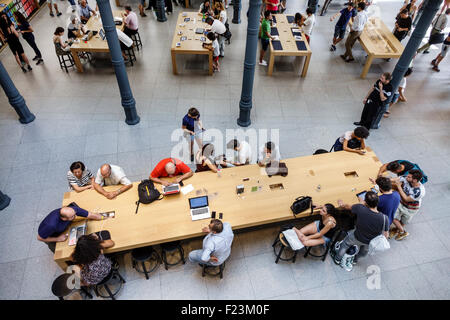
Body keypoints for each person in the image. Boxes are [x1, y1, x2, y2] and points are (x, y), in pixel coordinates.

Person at [335, 192, 389, 270]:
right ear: (377, 202)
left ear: (365, 202)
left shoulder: (360, 208)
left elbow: (347, 207)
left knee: (345, 245)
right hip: (370, 242)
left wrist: (341, 204)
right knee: (363, 253)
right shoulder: (384, 218)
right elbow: (386, 235)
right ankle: (354, 260)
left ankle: (337, 259)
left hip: (357, 236)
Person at [37, 205, 105, 253]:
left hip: (63, 230)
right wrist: (58, 239)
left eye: (75, 214)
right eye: (73, 216)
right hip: (51, 236)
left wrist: (101, 217)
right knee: (64, 252)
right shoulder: (51, 225)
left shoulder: (72, 210)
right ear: (64, 218)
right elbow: (40, 238)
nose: (75, 216)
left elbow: (88, 214)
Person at [390, 170, 426, 240]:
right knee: (393, 217)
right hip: (401, 203)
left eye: (409, 177)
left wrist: (399, 186)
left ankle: (397, 230)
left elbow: (406, 199)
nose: (406, 177)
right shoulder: (407, 179)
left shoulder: (419, 191)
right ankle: (402, 231)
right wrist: (382, 180)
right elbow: (395, 179)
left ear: (415, 180)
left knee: (403, 222)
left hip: (411, 208)